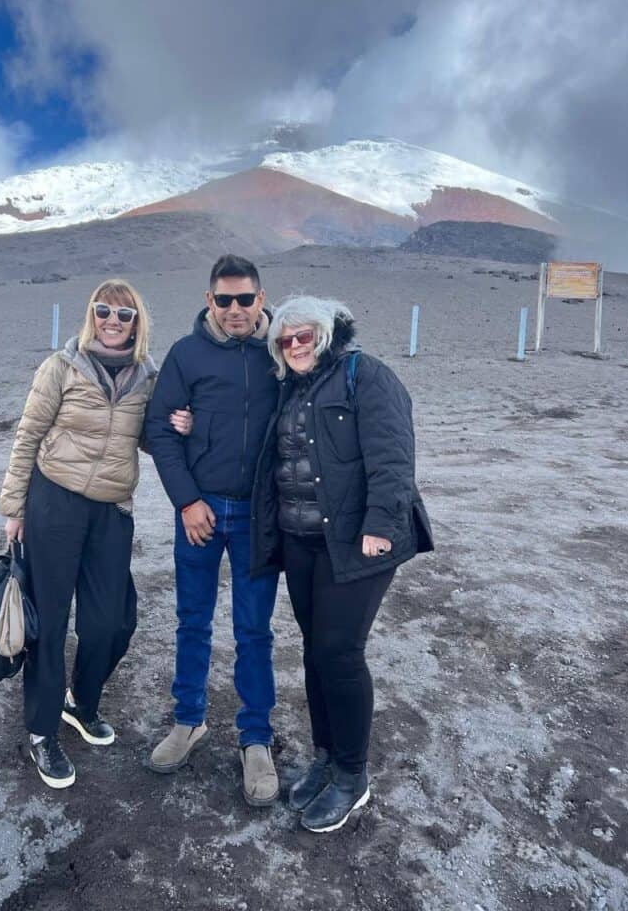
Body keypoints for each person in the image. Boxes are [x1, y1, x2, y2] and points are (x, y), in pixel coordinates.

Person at [250, 296, 433, 832]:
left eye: (305, 335)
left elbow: (394, 455)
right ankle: (326, 758)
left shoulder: (366, 376)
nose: (296, 346)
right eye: (285, 340)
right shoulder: (290, 387)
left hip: (357, 541)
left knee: (340, 652)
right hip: (303, 542)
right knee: (315, 652)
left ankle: (353, 777)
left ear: (327, 334)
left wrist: (380, 525)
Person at [0, 278, 190, 789]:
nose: (112, 320)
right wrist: (13, 506)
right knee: (51, 621)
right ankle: (42, 733)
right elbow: (28, 435)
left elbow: (149, 439)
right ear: (91, 315)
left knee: (112, 622)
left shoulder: (147, 376)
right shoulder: (60, 367)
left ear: (137, 322)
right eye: (103, 310)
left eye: (124, 314)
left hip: (110, 511)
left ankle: (80, 703)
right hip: (53, 503)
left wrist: (179, 425)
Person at [144, 254, 281, 806]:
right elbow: (159, 427)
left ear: (260, 298)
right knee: (192, 621)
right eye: (223, 300)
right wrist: (186, 501)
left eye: (245, 299)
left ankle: (255, 740)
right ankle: (188, 721)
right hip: (201, 513)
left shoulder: (281, 352)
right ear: (209, 301)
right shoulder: (186, 353)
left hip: (257, 516)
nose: (235, 310)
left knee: (254, 629)